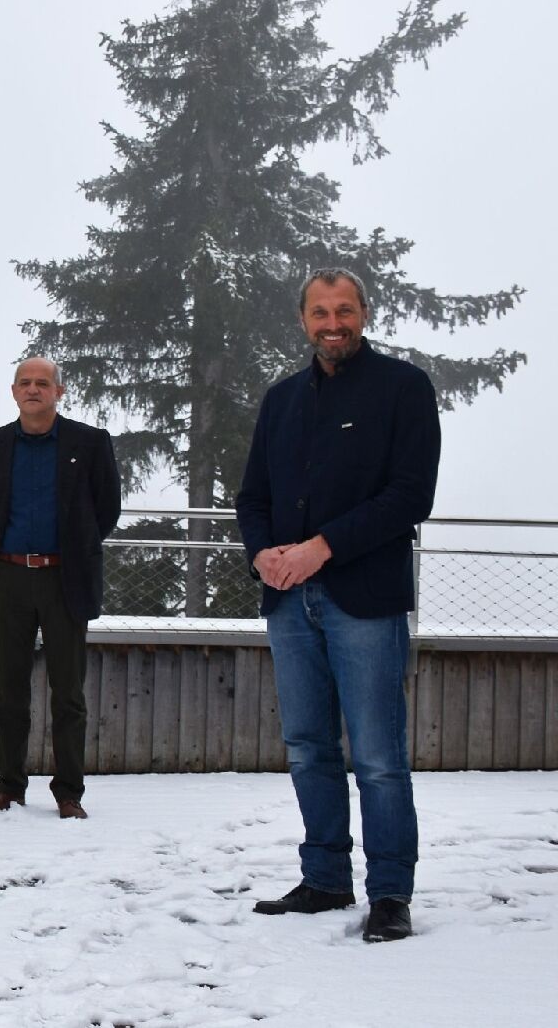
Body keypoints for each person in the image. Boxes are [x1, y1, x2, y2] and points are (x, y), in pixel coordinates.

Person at [236, 266, 439, 944]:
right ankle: (324, 877)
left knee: (378, 754)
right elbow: (252, 496)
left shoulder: (403, 389)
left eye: (344, 310)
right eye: (320, 311)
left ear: (364, 312)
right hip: (288, 600)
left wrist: (319, 548)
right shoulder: (282, 398)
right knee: (307, 747)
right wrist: (263, 552)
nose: (333, 323)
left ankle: (389, 893)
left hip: (365, 597)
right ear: (302, 319)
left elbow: (410, 495)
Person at [0, 357, 121, 819]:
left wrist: (71, 550)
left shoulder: (90, 443)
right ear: (13, 391)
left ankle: (68, 792)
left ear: (60, 391)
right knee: (10, 692)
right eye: (25, 383)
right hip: (9, 577)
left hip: (65, 578)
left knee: (68, 693)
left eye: (43, 383)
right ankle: (9, 788)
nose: (33, 390)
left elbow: (107, 510)